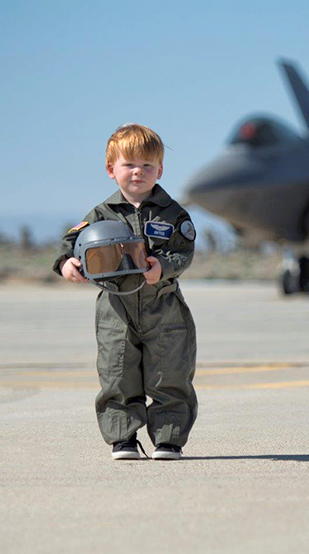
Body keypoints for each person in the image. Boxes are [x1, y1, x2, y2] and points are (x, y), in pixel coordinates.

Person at [53, 123, 198, 461]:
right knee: (118, 371)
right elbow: (69, 244)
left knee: (170, 372)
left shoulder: (173, 213)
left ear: (159, 170)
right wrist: (66, 264)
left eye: (148, 165)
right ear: (111, 169)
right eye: (129, 164)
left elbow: (183, 250)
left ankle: (169, 439)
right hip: (115, 307)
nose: (138, 172)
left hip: (162, 304)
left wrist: (162, 267)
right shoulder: (101, 215)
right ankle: (123, 439)